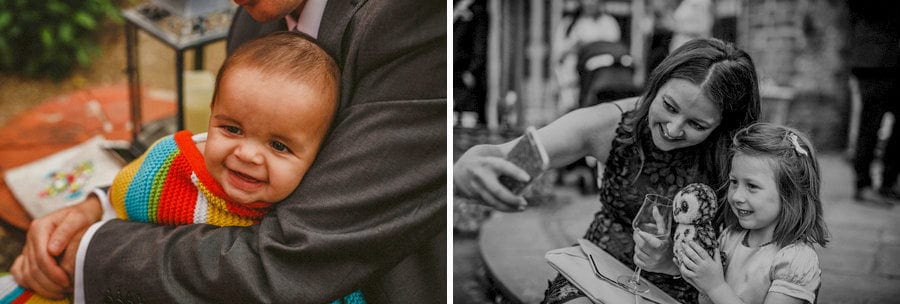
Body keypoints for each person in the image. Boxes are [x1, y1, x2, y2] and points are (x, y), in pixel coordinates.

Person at [14, 0, 446, 302]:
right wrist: (97, 208)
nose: (248, 156)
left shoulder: (417, 19)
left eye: (277, 145)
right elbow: (192, 165)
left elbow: (289, 264)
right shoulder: (250, 22)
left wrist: (91, 254)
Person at [454, 38, 760, 303]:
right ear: (656, 84)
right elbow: (514, 157)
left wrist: (673, 263)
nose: (672, 128)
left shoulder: (740, 156)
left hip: (692, 290)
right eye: (668, 105)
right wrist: (472, 162)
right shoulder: (607, 124)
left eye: (696, 125)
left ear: (723, 125)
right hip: (597, 271)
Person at [676, 123, 829, 304]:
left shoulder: (795, 261)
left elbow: (713, 286)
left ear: (790, 192)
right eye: (734, 181)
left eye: (752, 186)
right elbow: (705, 289)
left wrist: (715, 286)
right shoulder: (730, 237)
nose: (737, 196)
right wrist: (670, 264)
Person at [847, 1, 900, 205]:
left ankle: (888, 182)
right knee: (871, 123)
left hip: (893, 58)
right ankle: (863, 184)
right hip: (874, 60)